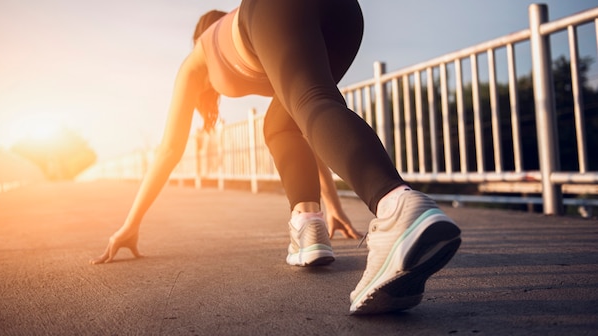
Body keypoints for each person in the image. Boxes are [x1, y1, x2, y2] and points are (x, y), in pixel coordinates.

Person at [91, 0, 461, 315]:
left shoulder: (198, 56)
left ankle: (396, 207)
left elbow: (169, 150)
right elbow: (308, 124)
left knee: (307, 105)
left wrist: (130, 223)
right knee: (285, 122)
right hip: (343, 16)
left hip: (279, 9)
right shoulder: (243, 42)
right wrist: (331, 206)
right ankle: (309, 222)